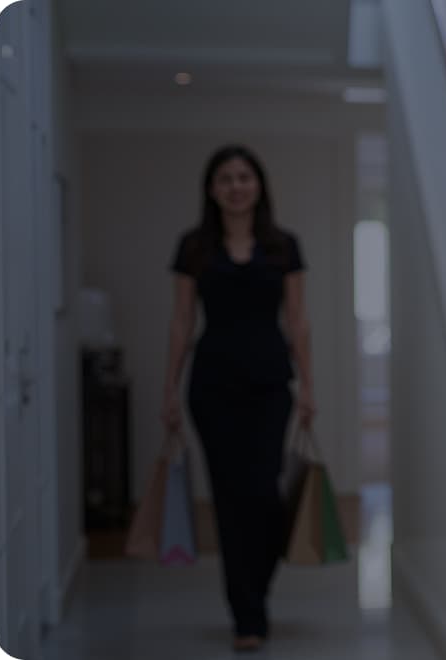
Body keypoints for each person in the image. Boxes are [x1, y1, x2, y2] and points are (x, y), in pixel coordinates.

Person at [162, 145, 315, 653]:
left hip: (271, 383)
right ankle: (247, 615)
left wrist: (309, 387)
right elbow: (182, 321)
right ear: (212, 189)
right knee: (229, 500)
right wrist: (169, 390)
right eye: (225, 178)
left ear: (259, 185)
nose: (235, 186)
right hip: (212, 387)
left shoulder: (283, 247)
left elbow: (297, 320)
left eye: (244, 177)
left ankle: (257, 589)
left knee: (264, 494)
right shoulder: (194, 247)